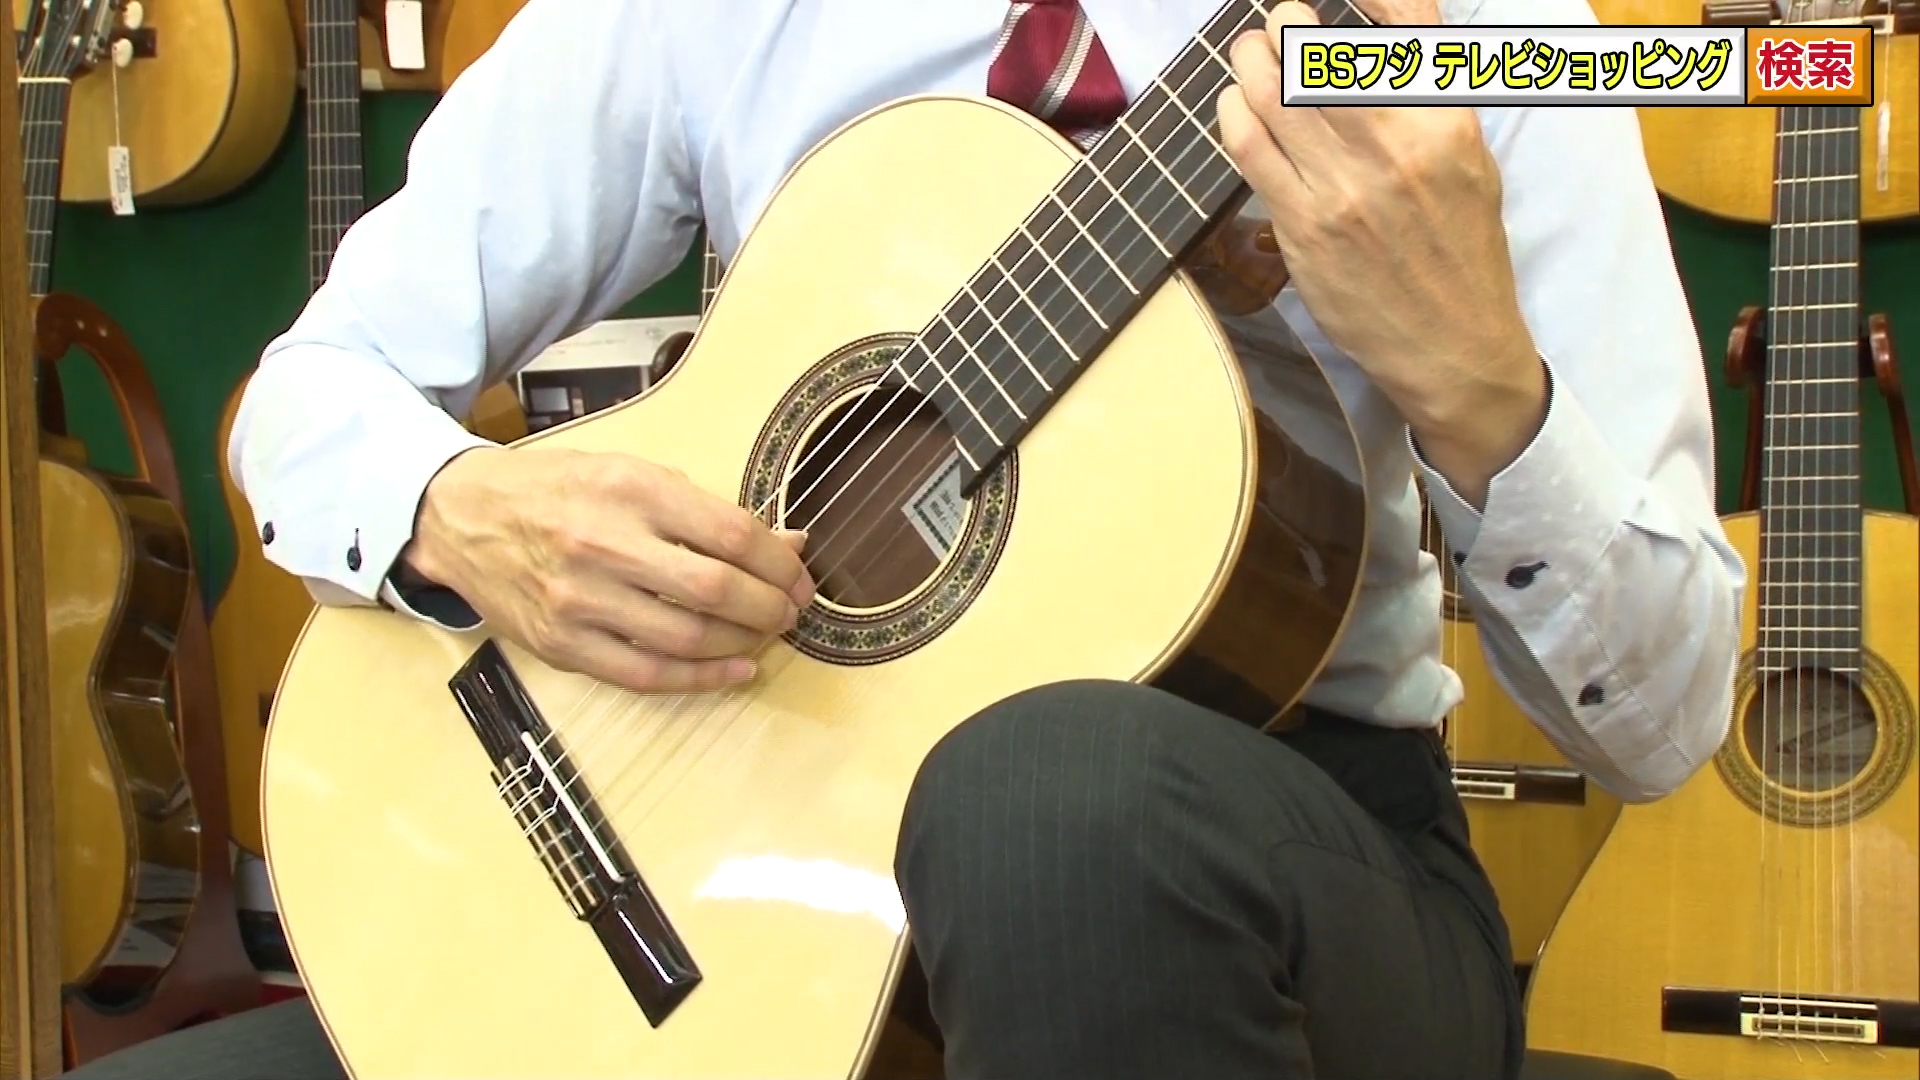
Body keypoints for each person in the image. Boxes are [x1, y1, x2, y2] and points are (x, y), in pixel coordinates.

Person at [66, 0, 1746, 1078]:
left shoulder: (1482, 39)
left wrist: (1482, 392)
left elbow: (1664, 724)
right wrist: (462, 509)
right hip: (745, 820)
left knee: (1049, 801)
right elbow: (311, 395)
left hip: (1287, 863)